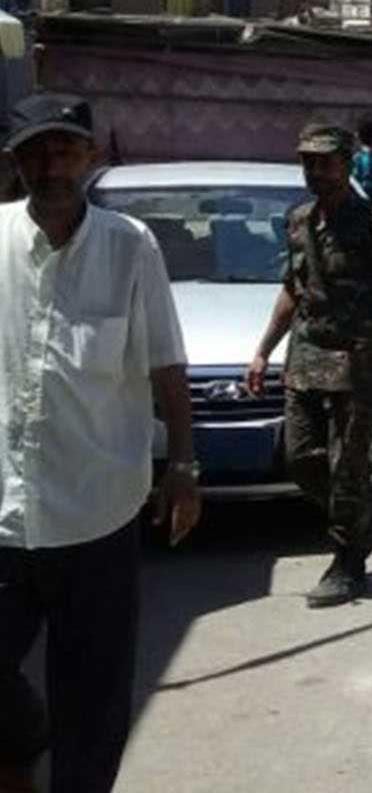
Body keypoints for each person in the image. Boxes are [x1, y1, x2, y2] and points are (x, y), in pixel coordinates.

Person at [0, 94, 200, 793]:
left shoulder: (130, 245)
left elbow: (165, 363)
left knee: (93, 697)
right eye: (37, 151)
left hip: (98, 515)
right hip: (5, 516)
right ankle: (23, 743)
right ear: (14, 161)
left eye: (65, 150)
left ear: (90, 158)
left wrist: (182, 464)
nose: (51, 165)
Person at [248, 125, 372, 608]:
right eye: (308, 162)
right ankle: (370, 506)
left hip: (359, 359)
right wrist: (264, 349)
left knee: (345, 465)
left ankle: (347, 564)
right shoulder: (299, 220)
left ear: (347, 164)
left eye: (325, 162)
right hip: (306, 356)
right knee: (301, 460)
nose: (316, 172)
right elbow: (293, 288)